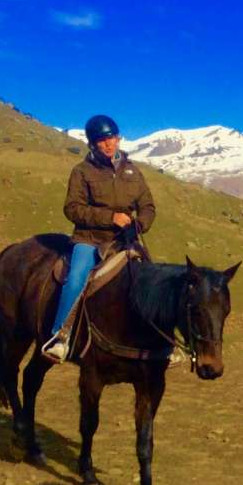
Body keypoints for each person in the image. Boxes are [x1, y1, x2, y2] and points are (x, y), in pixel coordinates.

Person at [41, 114, 156, 362]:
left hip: (125, 240)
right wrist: (110, 218)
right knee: (77, 278)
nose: (109, 144)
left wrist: (139, 224)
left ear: (118, 138)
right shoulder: (82, 171)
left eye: (112, 138)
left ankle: (157, 343)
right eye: (102, 140)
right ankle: (60, 335)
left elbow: (148, 206)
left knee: (152, 279)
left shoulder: (132, 171)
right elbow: (72, 208)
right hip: (90, 239)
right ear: (92, 144)